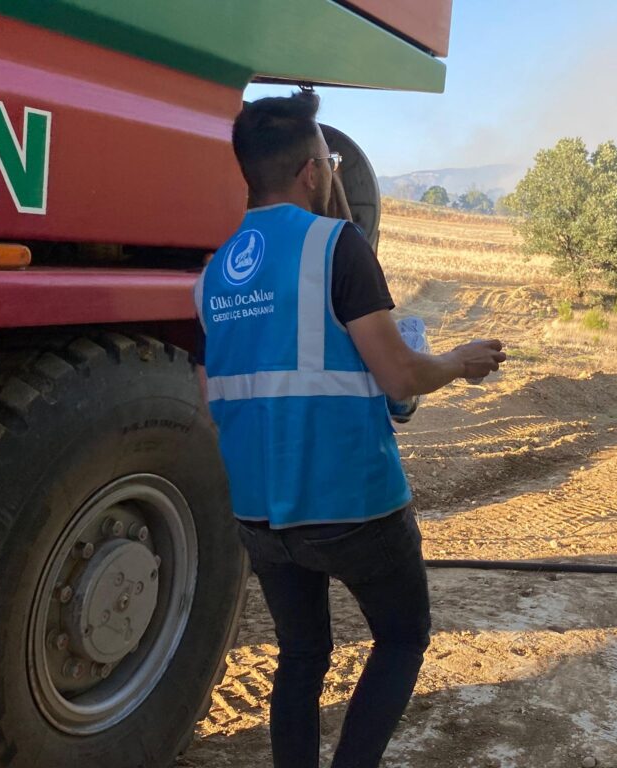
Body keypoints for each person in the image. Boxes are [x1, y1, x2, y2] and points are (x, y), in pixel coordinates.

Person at [194, 91, 506, 768]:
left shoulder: (213, 274)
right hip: (352, 503)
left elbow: (217, 392)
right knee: (401, 638)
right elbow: (399, 376)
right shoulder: (336, 245)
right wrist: (460, 361)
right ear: (312, 170)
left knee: (302, 654)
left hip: (259, 511)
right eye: (327, 164)